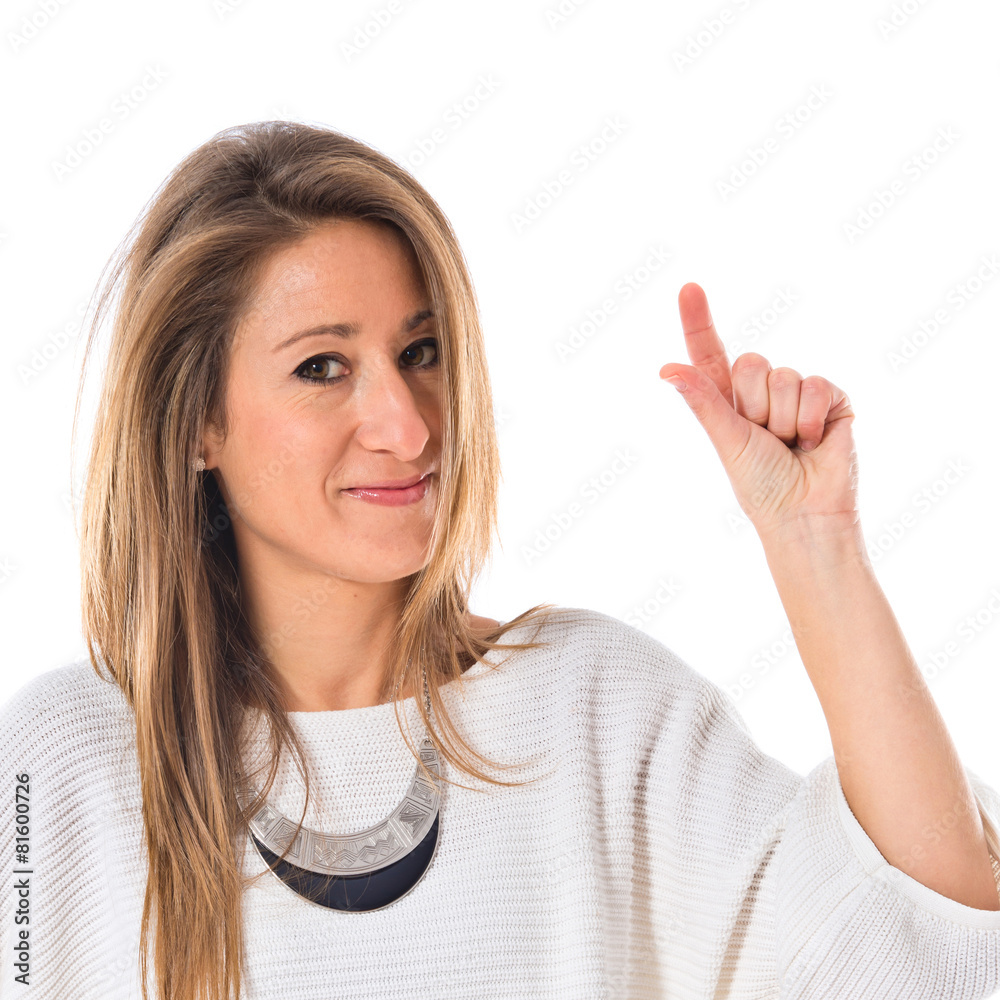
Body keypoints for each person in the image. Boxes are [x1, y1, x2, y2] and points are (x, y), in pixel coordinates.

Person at [1, 120, 999, 1000]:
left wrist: (814, 541)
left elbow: (927, 949)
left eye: (422, 352)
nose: (406, 426)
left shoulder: (593, 709)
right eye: (322, 367)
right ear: (195, 424)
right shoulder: (62, 764)